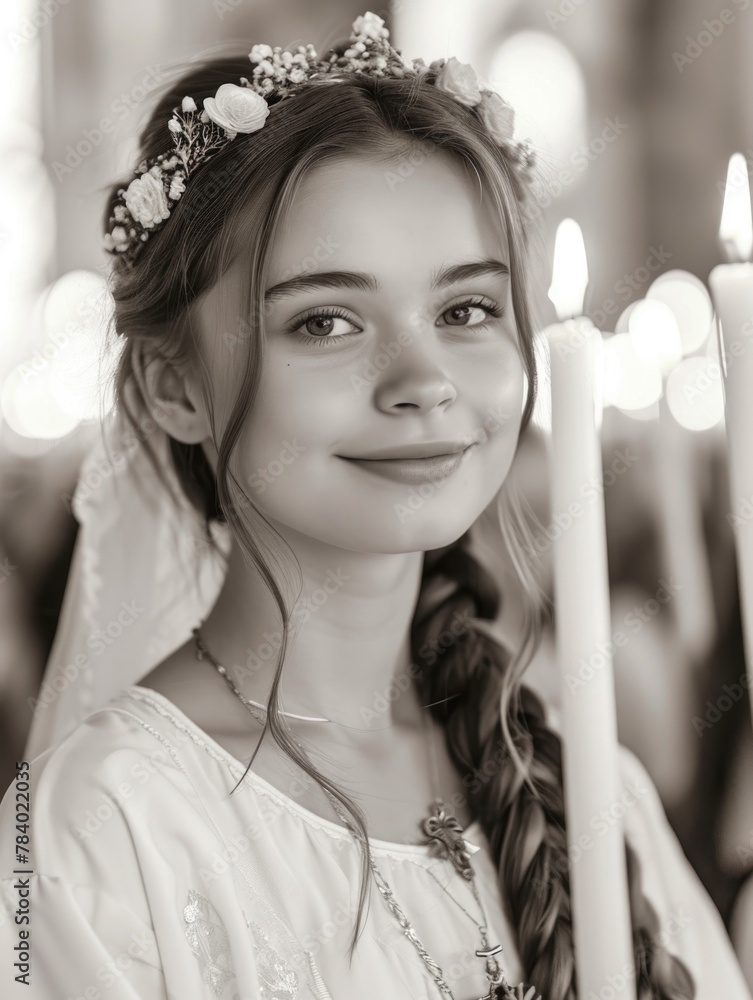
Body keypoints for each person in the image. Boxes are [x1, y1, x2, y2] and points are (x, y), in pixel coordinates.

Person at [1, 12, 750, 999]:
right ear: (172, 387)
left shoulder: (590, 796)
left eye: (467, 309)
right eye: (326, 320)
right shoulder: (99, 835)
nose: (422, 380)